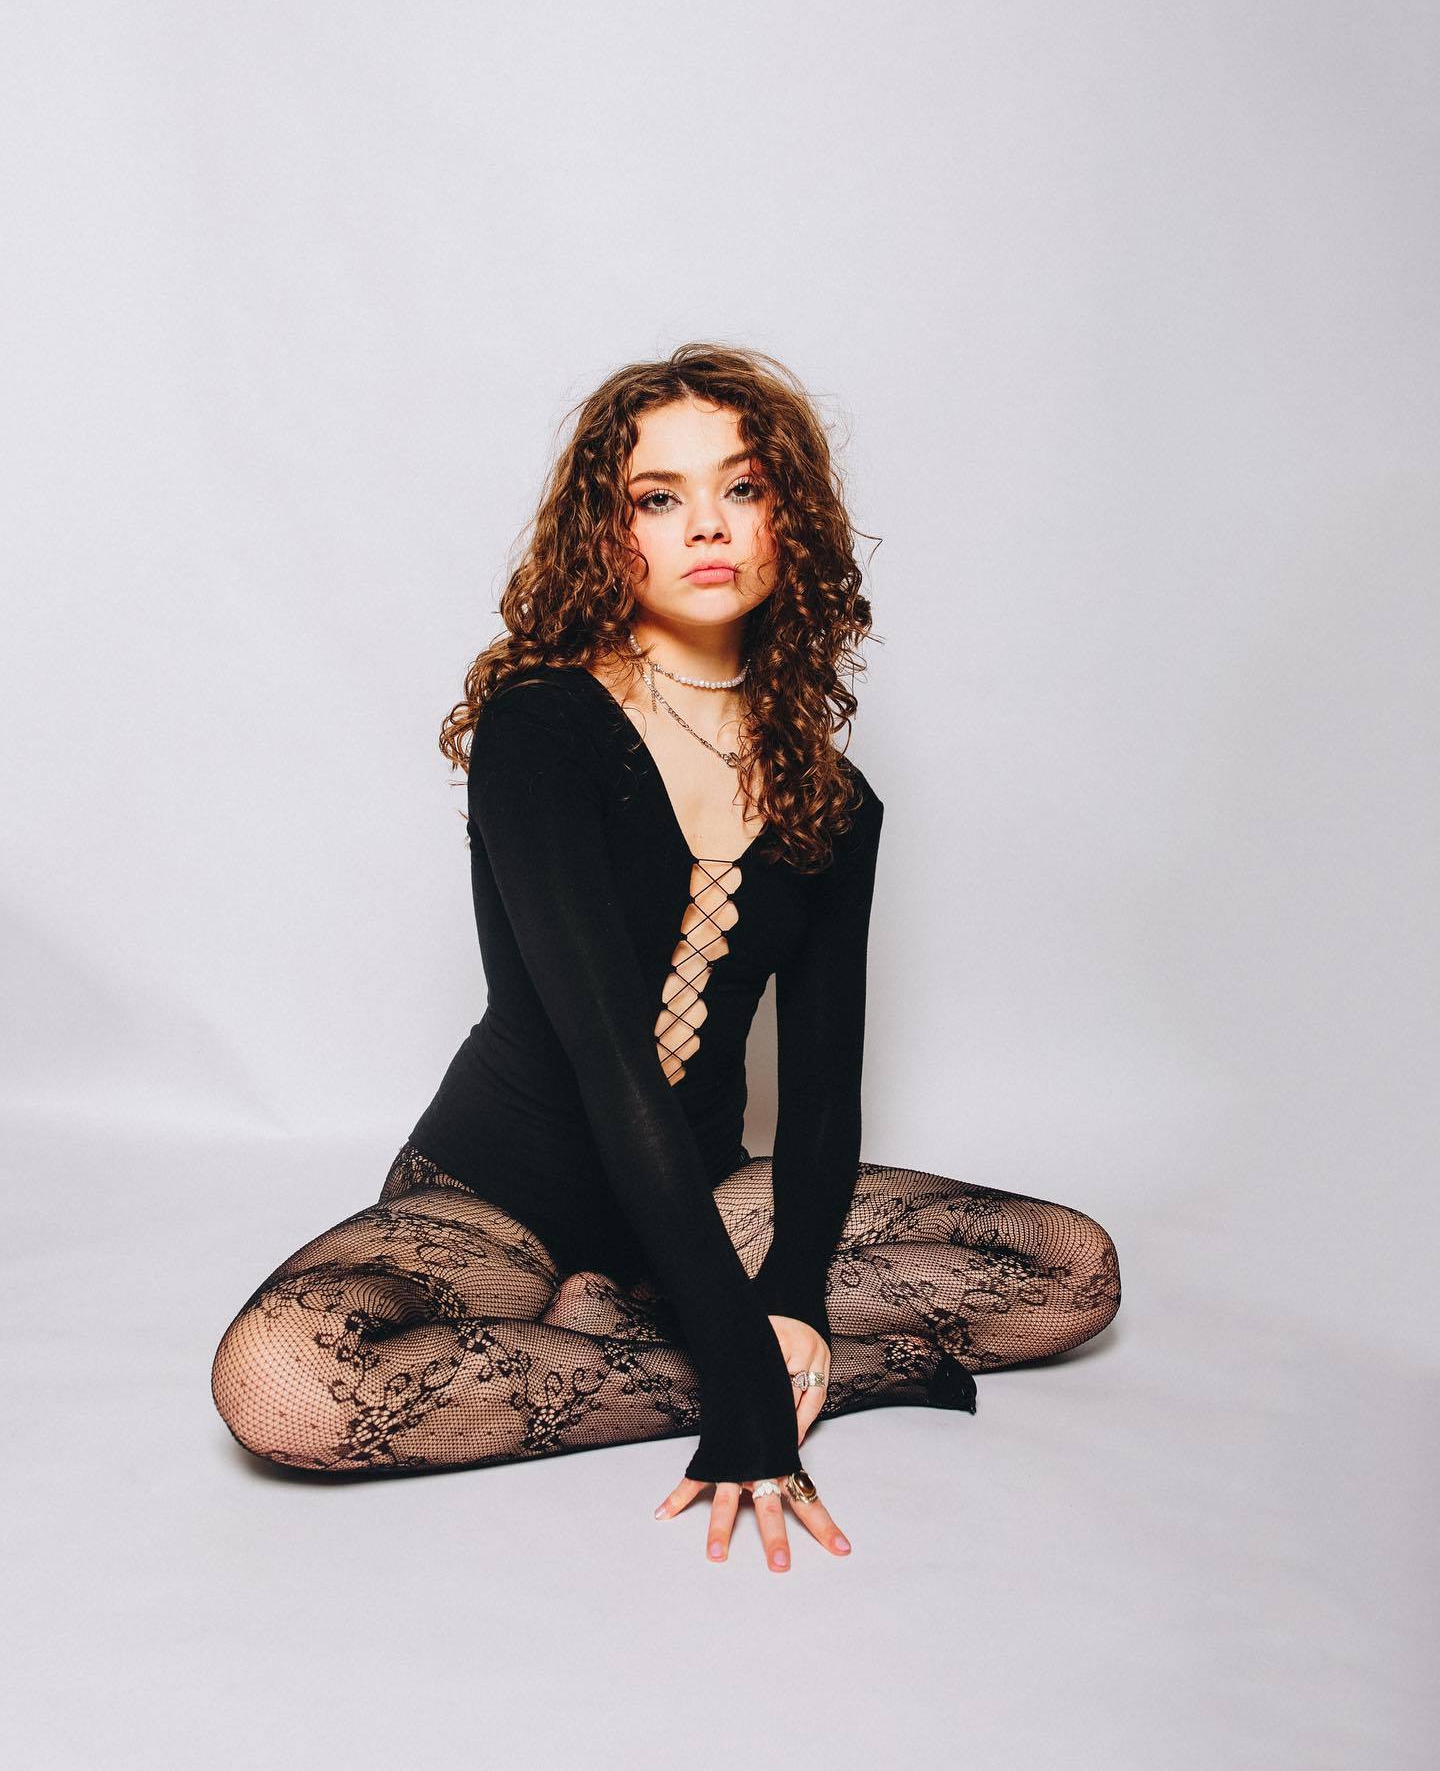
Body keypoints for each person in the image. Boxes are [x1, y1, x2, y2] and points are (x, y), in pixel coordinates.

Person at [209, 342, 1122, 1573]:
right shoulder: (544, 727)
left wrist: (788, 1294)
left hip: (702, 1196)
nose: (707, 525)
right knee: (285, 1385)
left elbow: (821, 1097)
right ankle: (811, 1369)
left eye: (742, 488)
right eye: (658, 496)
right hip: (498, 1198)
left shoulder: (834, 801)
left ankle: (652, 1322)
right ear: (610, 531)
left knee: (1071, 1271)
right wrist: (744, 1384)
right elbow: (607, 1060)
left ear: (791, 522)